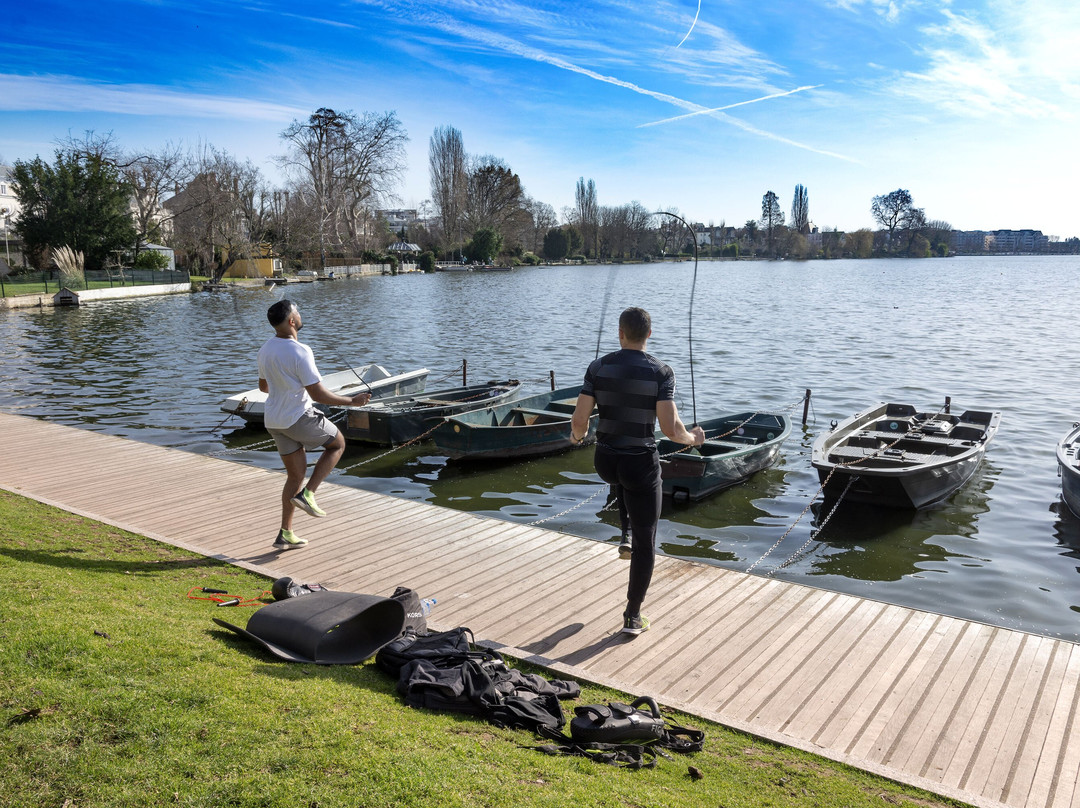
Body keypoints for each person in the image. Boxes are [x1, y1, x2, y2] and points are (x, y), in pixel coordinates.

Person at [570, 307, 704, 636]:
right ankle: (632, 617)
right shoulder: (661, 372)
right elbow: (671, 430)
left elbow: (579, 421)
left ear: (620, 333)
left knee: (624, 484)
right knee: (648, 541)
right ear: (649, 334)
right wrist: (693, 440)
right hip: (639, 464)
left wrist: (577, 438)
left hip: (605, 462)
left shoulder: (597, 367)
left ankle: (624, 532)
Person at [258, 299, 371, 551]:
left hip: (274, 421)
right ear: (291, 321)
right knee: (337, 444)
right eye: (297, 311)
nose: (300, 314)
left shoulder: (265, 349)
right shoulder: (301, 351)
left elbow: (264, 386)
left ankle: (285, 533)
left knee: (295, 475)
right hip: (297, 416)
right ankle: (309, 495)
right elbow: (318, 395)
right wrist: (352, 401)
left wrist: (285, 382)